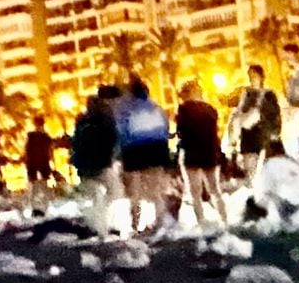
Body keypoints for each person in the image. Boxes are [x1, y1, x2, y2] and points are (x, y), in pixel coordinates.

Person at [114, 77, 177, 234]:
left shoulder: (125, 108)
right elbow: (165, 128)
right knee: (156, 190)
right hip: (157, 149)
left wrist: (119, 153)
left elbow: (121, 131)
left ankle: (135, 225)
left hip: (134, 150)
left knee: (134, 192)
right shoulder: (155, 107)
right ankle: (161, 222)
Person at [174, 80, 228, 226]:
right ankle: (224, 219)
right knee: (215, 189)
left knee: (195, 192)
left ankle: (202, 221)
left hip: (192, 153)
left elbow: (181, 131)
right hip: (210, 152)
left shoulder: (184, 109)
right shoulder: (210, 109)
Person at [70, 87, 121, 237]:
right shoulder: (106, 119)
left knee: (95, 196)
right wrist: (113, 157)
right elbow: (114, 140)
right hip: (102, 163)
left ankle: (96, 225)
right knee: (115, 192)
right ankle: (107, 225)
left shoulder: (81, 121)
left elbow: (76, 143)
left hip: (84, 165)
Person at [232, 65, 281, 177]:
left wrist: (274, 133)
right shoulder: (245, 94)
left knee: (268, 170)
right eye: (250, 76)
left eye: (254, 75)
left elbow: (275, 115)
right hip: (249, 137)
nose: (252, 78)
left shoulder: (269, 95)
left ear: (261, 77)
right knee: (251, 170)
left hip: (264, 137)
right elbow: (238, 111)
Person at [22, 121, 55, 203]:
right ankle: (34, 199)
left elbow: (50, 150)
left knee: (43, 182)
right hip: (34, 161)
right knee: (33, 182)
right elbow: (27, 149)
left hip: (42, 161)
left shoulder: (44, 136)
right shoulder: (33, 136)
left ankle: (44, 199)